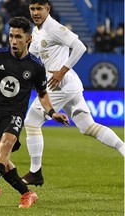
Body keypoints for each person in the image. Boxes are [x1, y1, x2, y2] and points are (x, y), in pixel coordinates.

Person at [22, 0, 125, 187]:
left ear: (48, 9)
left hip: (59, 84)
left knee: (32, 121)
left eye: (39, 8)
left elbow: (80, 47)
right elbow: (33, 58)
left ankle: (35, 172)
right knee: (87, 127)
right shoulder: (37, 31)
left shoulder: (54, 27)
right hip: (66, 85)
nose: (35, 12)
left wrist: (62, 70)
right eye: (32, 9)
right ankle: (123, 148)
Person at [0, 16, 69, 208]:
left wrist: (52, 113)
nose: (14, 41)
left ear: (29, 39)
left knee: (5, 146)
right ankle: (27, 193)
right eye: (11, 36)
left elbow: (42, 94)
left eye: (18, 37)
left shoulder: (36, 66)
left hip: (14, 114)